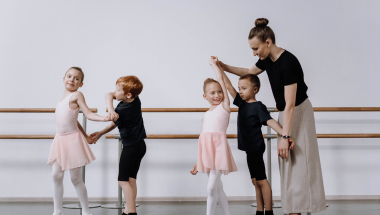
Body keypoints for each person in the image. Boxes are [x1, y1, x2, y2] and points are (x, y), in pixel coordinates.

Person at [217, 18, 326, 215]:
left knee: (300, 163)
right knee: (288, 163)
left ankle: (298, 209)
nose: (254, 53)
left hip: (298, 111)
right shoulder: (267, 60)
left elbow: (291, 103)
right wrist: (224, 66)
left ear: (268, 42)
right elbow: (249, 72)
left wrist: (284, 137)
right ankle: (294, 209)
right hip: (285, 112)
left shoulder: (288, 62)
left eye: (256, 48)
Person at [221, 68, 294, 215]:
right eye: (240, 88)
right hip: (249, 148)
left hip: (255, 147)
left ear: (255, 89)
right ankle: (260, 211)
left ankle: (269, 211)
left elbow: (270, 121)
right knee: (255, 181)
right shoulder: (241, 103)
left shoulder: (258, 106)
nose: (240, 91)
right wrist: (219, 66)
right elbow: (228, 86)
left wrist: (285, 135)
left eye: (244, 88)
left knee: (262, 180)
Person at [47, 67, 112, 215]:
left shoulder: (77, 95)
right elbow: (75, 121)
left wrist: (103, 118)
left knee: (75, 178)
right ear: (63, 79)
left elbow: (88, 114)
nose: (72, 80)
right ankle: (57, 211)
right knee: (56, 175)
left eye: (76, 78)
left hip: (72, 140)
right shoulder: (61, 99)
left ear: (81, 84)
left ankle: (86, 211)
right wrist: (87, 136)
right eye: (69, 76)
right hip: (59, 139)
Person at [91, 75, 146, 215]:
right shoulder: (135, 99)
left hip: (131, 148)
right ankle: (127, 211)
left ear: (127, 94)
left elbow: (115, 121)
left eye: (118, 90)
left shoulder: (122, 110)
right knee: (131, 180)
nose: (114, 92)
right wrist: (110, 110)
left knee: (122, 181)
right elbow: (108, 94)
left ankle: (132, 212)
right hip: (140, 146)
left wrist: (111, 114)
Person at [190, 56, 237, 215]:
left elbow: (220, 80)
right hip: (207, 152)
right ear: (205, 96)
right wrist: (199, 161)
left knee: (211, 187)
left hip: (219, 151)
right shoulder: (206, 114)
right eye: (212, 93)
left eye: (219, 92)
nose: (217, 95)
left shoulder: (224, 107)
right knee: (218, 187)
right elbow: (203, 139)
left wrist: (214, 65)